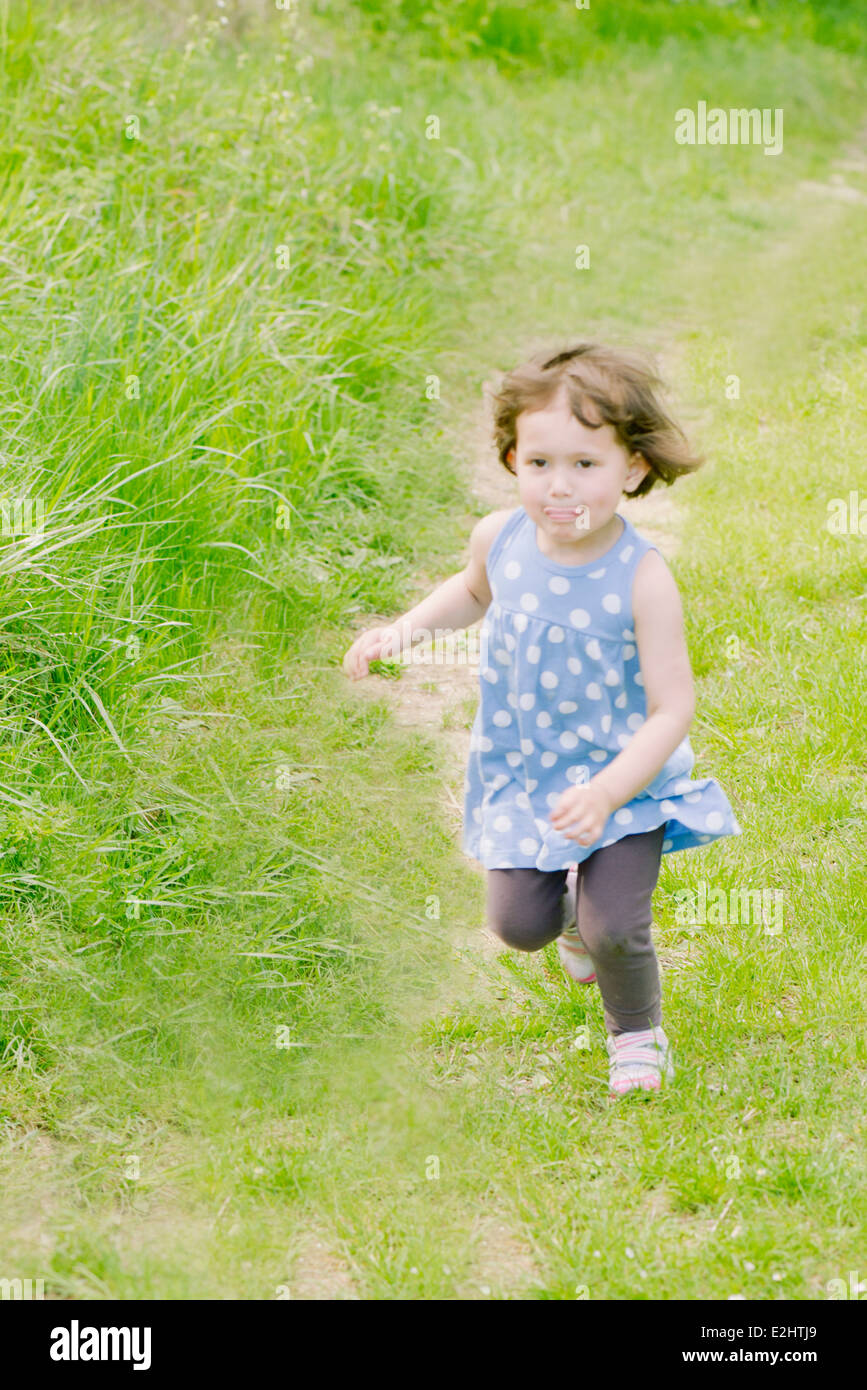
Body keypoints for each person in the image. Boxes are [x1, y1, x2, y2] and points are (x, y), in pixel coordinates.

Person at [342, 341, 742, 1099]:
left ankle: (635, 1035)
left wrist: (609, 792)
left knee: (615, 927)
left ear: (632, 469)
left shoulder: (643, 579)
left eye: (585, 466)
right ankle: (566, 927)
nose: (560, 488)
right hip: (525, 776)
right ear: (511, 460)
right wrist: (401, 631)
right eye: (538, 464)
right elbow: (469, 592)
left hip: (621, 785)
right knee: (517, 925)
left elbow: (672, 708)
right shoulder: (502, 540)